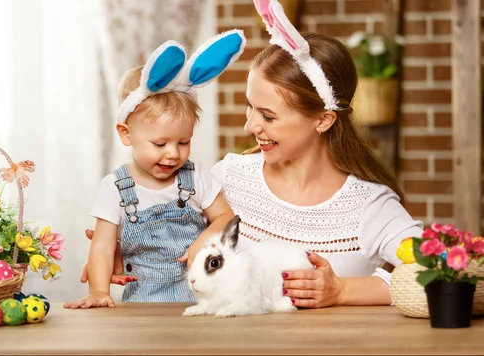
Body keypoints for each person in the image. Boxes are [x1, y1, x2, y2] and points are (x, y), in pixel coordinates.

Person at [79, 0, 424, 309]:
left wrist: (341, 291)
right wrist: (128, 251)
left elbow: (445, 275)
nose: (249, 126)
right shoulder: (229, 178)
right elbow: (178, 244)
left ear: (323, 120)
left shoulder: (369, 206)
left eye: (268, 116)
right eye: (250, 108)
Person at [64, 30, 246, 309]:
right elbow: (102, 246)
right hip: (144, 304)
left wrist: (205, 239)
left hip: (202, 298)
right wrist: (100, 291)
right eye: (160, 143)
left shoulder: (194, 177)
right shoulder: (115, 187)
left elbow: (224, 216)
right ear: (126, 134)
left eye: (183, 142)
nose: (173, 153)